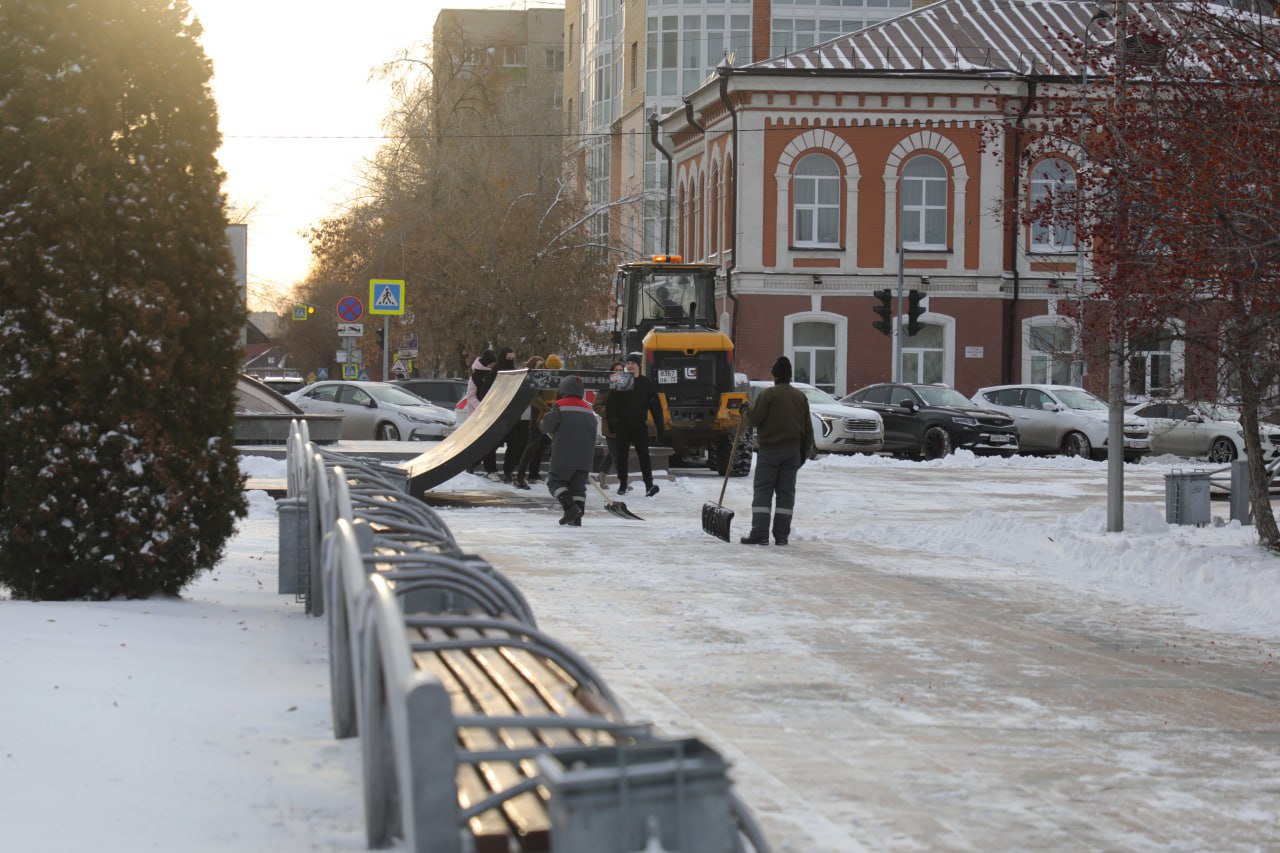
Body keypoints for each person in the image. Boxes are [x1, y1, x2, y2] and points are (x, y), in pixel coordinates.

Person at [740, 355, 814, 546]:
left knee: (763, 490)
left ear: (775, 375)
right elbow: (808, 429)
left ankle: (760, 533)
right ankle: (781, 536)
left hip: (770, 451)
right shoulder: (800, 397)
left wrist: (745, 411)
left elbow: (755, 419)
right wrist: (802, 454)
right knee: (786, 494)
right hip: (792, 452)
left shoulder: (768, 395)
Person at [540, 374, 598, 526]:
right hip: (585, 457)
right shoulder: (588, 408)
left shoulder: (560, 405)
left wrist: (543, 422)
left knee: (555, 482)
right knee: (578, 488)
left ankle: (570, 508)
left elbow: (549, 425)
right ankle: (576, 517)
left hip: (564, 455)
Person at [606, 352, 665, 497]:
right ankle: (623, 484)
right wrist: (613, 423)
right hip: (623, 425)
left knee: (644, 455)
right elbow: (611, 404)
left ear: (638, 365)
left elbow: (655, 406)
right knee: (622, 456)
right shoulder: (621, 380)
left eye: (633, 363)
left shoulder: (646, 383)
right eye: (628, 363)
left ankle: (649, 485)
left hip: (639, 425)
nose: (630, 365)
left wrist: (660, 427)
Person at [513, 354, 560, 489]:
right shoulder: (539, 375)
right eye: (552, 370)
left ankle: (553, 475)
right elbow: (533, 397)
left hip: (552, 412)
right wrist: (547, 409)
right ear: (547, 366)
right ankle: (520, 475)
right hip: (539, 414)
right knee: (532, 445)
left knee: (548, 445)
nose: (553, 373)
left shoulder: (556, 375)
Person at [492, 347, 527, 484]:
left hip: (512, 415)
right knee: (492, 444)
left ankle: (508, 470)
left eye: (513, 359)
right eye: (508, 359)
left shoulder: (514, 373)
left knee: (513, 444)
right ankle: (489, 468)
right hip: (497, 414)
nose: (510, 361)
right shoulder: (496, 372)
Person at [462, 349, 498, 476]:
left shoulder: (495, 375)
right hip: (477, 415)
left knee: (488, 443)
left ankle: (489, 468)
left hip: (490, 414)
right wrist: (482, 408)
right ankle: (471, 465)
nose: (494, 365)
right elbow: (471, 396)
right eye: (492, 363)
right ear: (487, 363)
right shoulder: (475, 377)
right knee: (477, 443)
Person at [592, 359, 626, 483]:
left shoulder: (627, 386)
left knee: (614, 453)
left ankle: (602, 474)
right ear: (611, 372)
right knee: (618, 454)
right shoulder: (605, 388)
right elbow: (596, 406)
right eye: (616, 370)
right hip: (610, 427)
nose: (618, 373)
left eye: (621, 370)